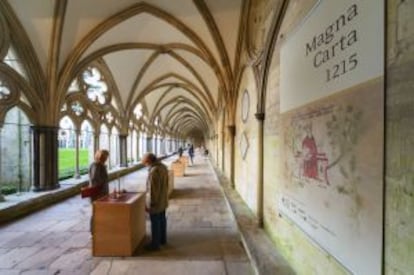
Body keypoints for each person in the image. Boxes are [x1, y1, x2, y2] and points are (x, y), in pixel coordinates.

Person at [142, 153, 169, 251]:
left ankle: (155, 244)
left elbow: (153, 191)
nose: (145, 165)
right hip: (163, 199)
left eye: (145, 163)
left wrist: (151, 204)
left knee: (155, 223)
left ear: (149, 161)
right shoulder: (163, 167)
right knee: (162, 220)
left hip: (156, 202)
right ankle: (163, 239)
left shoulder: (153, 172)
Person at [88, 149, 109, 232]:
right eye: (105, 156)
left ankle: (99, 229)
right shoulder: (96, 165)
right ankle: (93, 231)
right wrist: (99, 193)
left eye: (107, 156)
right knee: (96, 212)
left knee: (99, 211)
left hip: (101, 192)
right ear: (100, 156)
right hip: (97, 193)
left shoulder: (100, 165)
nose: (106, 158)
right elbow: (95, 180)